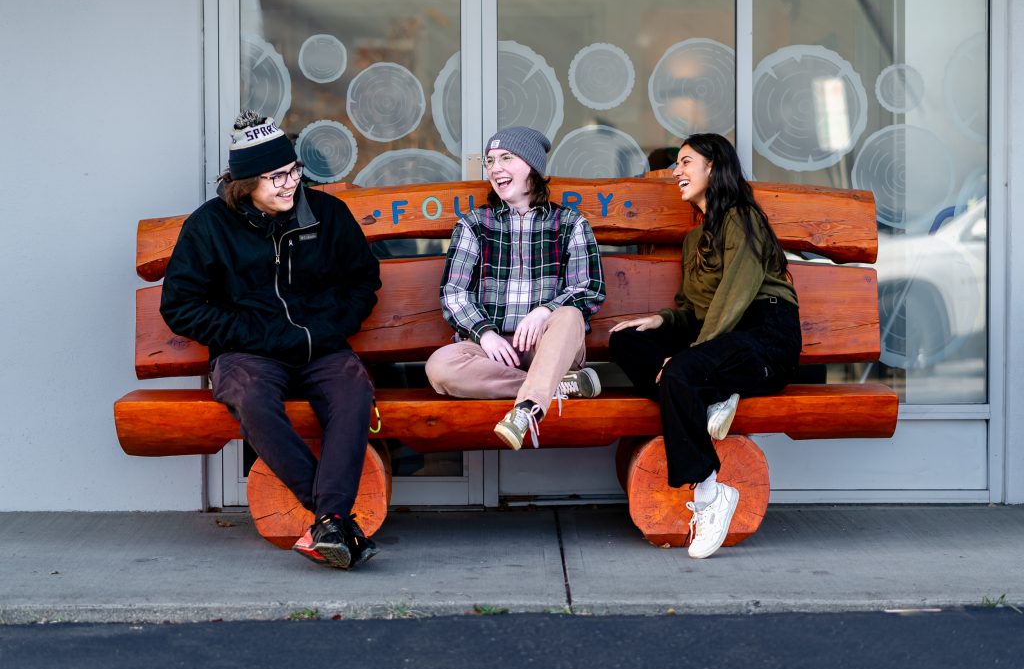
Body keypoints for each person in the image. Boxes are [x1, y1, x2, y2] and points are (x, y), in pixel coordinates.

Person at [160, 111, 382, 570]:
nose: (290, 183)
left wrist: (328, 327)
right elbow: (180, 306)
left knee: (353, 389)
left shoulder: (328, 215)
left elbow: (363, 282)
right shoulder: (209, 227)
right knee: (251, 396)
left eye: (294, 170)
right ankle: (334, 519)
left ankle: (329, 523)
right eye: (276, 176)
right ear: (245, 184)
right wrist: (254, 334)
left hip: (319, 347)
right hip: (249, 354)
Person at [608, 133, 801, 559]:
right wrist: (663, 320)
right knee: (626, 340)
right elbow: (694, 310)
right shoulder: (695, 240)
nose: (676, 171)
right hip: (719, 339)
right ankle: (711, 395)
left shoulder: (742, 217)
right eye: (676, 163)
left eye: (685, 162)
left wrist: (691, 355)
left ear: (712, 167)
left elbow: (736, 294)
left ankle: (712, 493)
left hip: (764, 338)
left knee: (681, 371)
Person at [425, 126, 606, 450]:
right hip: (492, 354)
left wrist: (545, 311)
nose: (495, 168)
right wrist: (485, 334)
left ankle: (527, 408)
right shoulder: (474, 225)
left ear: (532, 166)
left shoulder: (570, 224)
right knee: (440, 366)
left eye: (506, 158)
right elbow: (454, 293)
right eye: (490, 160)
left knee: (569, 315)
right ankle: (558, 388)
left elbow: (589, 288)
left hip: (550, 347)